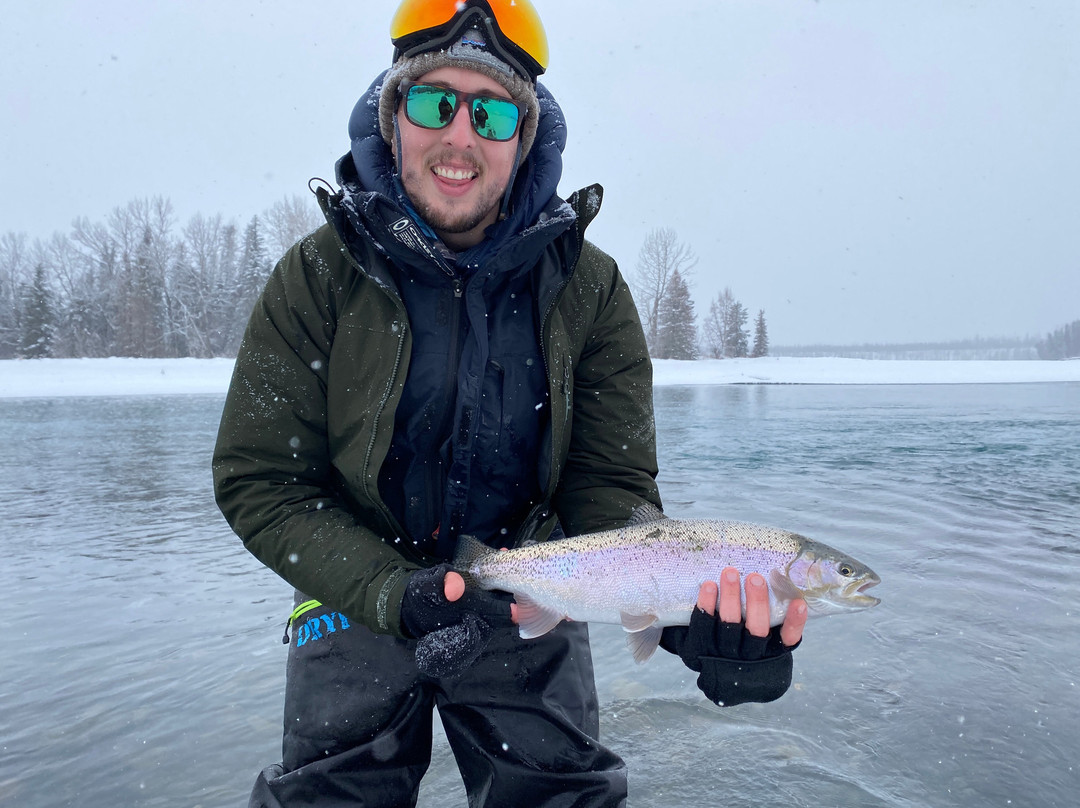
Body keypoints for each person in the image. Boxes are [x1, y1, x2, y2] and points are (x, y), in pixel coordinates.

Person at [212, 1, 807, 806]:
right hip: (353, 589)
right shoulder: (316, 277)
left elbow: (609, 494)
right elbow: (261, 481)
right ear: (393, 117)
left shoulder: (590, 291)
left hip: (536, 588)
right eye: (434, 102)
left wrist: (685, 622)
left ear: (523, 139)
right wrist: (391, 590)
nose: (460, 136)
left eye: (490, 112)